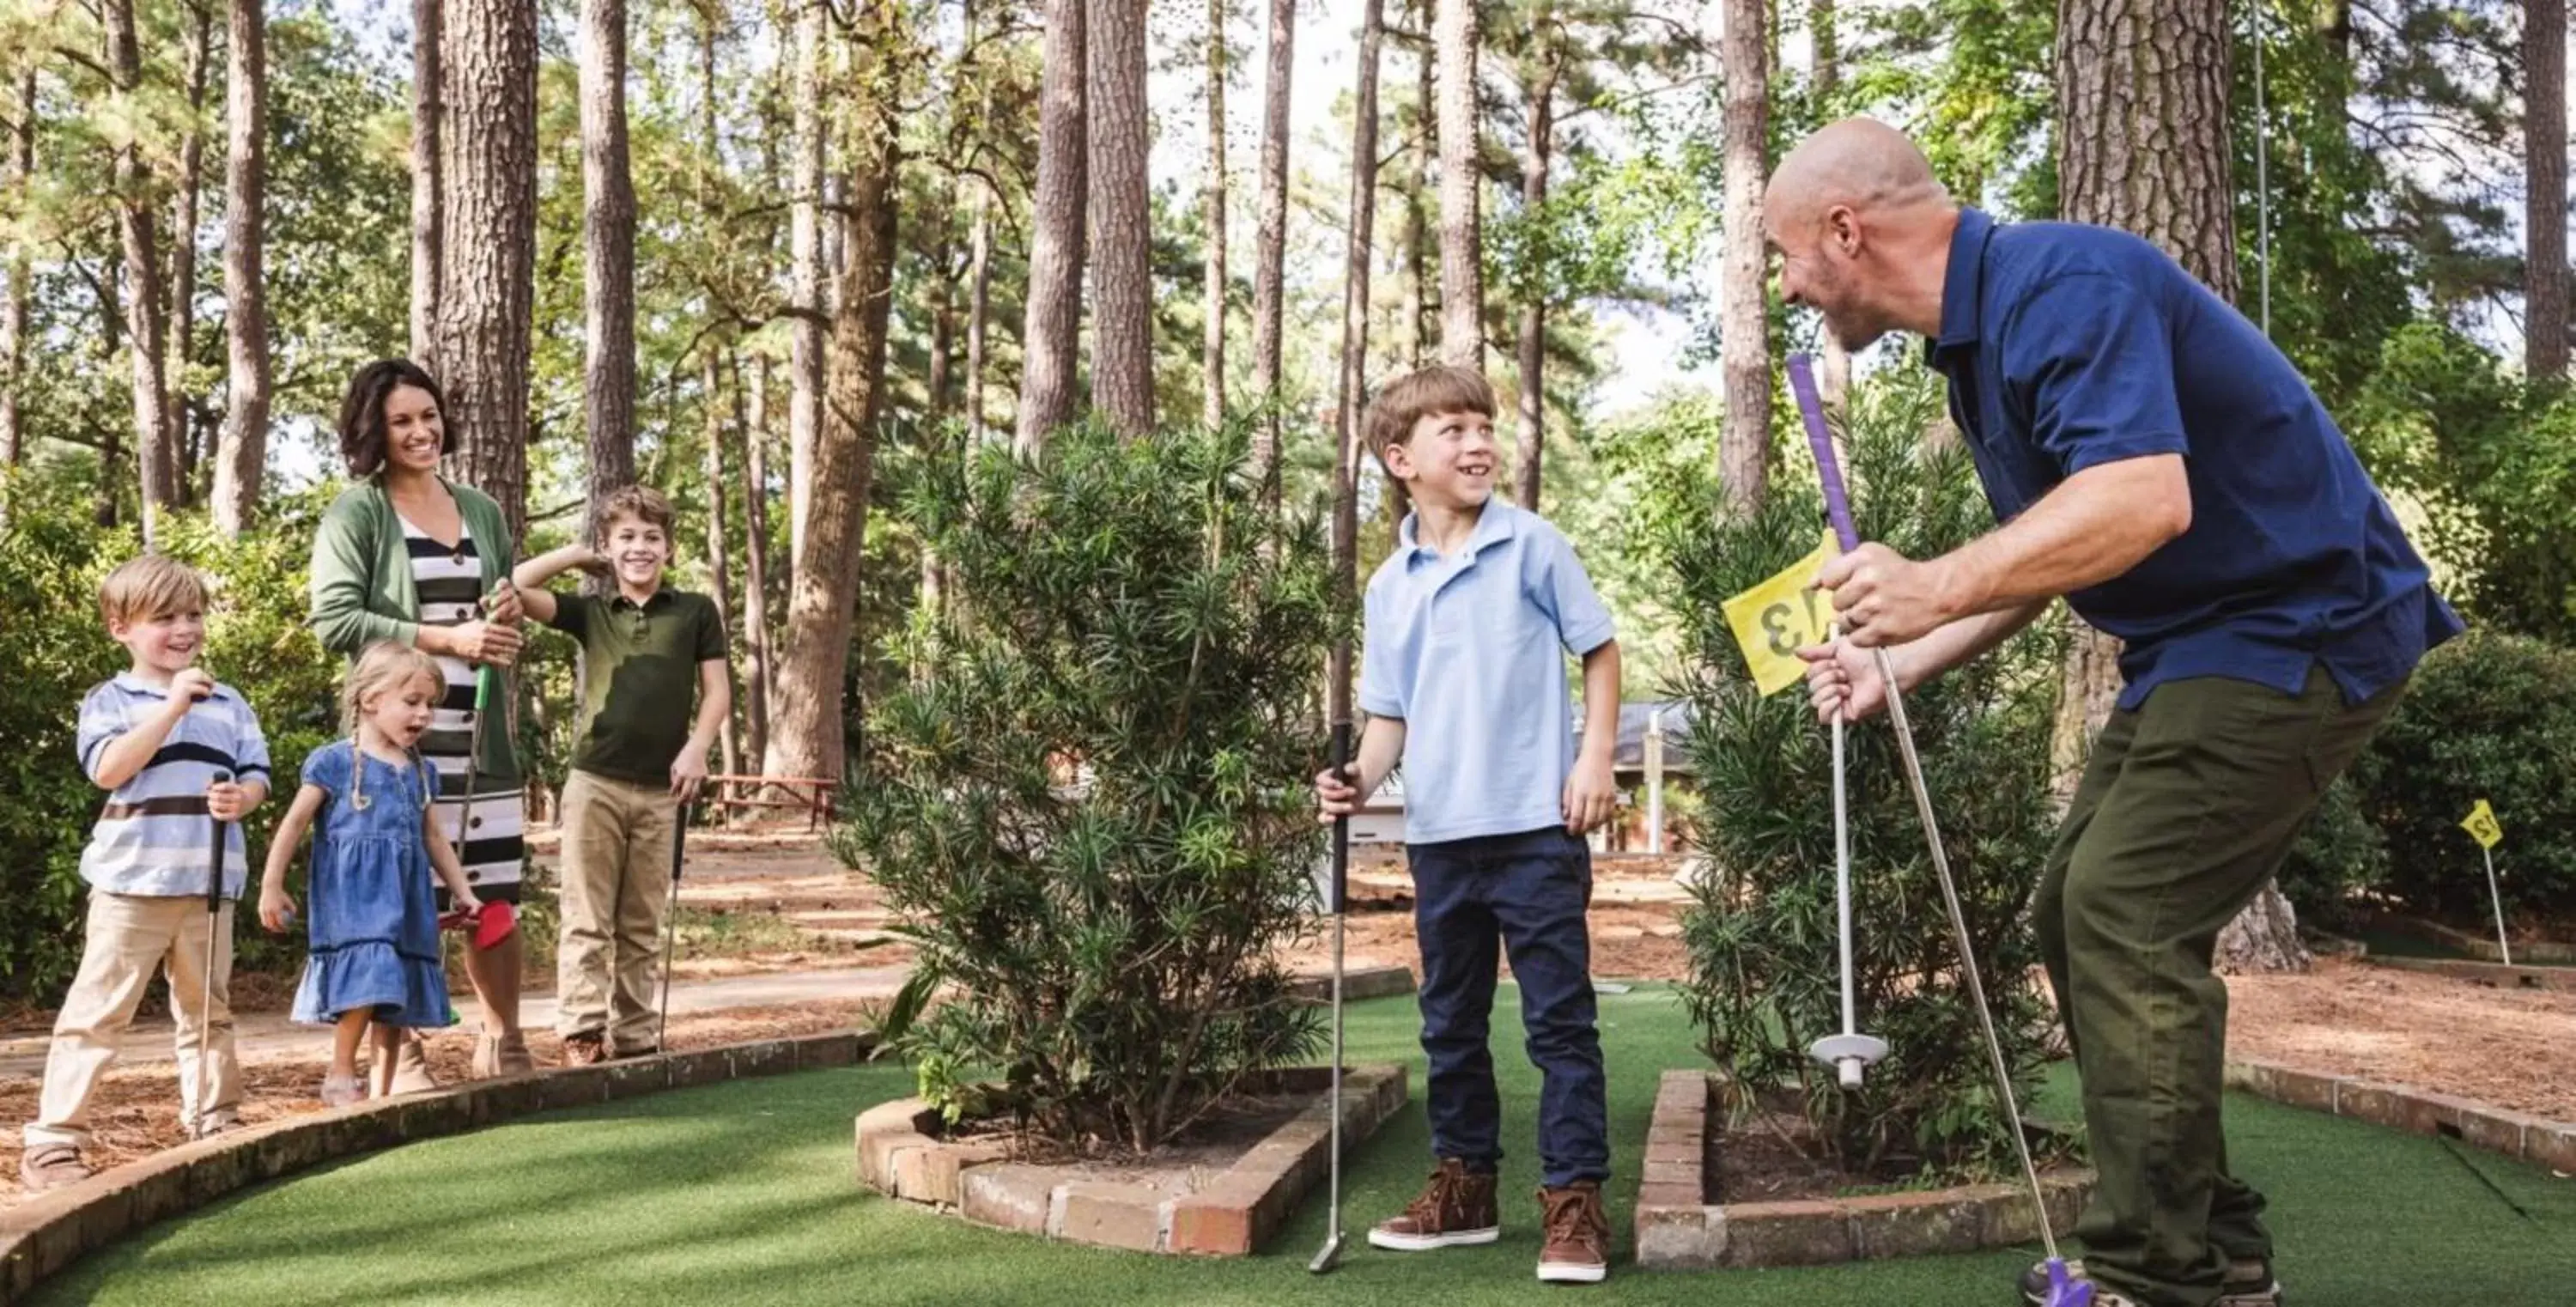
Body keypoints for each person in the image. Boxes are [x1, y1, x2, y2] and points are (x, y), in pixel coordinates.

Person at [1768, 118, 2462, 1307]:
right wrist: (1905, 661)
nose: (1786, 284)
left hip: (2305, 627)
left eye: (1786, 254)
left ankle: (2157, 1277)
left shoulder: (2064, 281)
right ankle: (2223, 1251)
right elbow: (2052, 556)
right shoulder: (1979, 345)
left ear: (1846, 228)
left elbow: (2143, 500)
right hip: (2202, 644)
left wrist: (1933, 579)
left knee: (2124, 912)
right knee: (2070, 914)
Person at [1312, 365, 1625, 1285]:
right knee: (1450, 1021)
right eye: (1453, 428)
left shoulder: (1533, 546)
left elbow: (1600, 649)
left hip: (1536, 827)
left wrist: (1595, 757)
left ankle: (1574, 1202)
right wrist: (1355, 780)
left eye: (1485, 424)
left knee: (1559, 1024)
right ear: (1401, 459)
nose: (1479, 441)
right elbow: (1388, 719)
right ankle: (1467, 1189)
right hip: (1441, 836)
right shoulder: (1389, 586)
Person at [17, 556, 271, 1192]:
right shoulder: (111, 700)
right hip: (132, 884)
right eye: (165, 619)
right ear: (120, 628)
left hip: (209, 885)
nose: (184, 629)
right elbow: (109, 771)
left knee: (207, 1012)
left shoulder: (231, 703)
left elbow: (257, 773)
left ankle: (214, 1121)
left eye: (193, 615)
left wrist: (245, 796)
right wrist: (172, 708)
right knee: (97, 1012)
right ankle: (55, 1139)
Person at [309, 359, 532, 1084]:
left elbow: (497, 605)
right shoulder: (359, 511)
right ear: (374, 430)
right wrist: (444, 639)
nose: (420, 431)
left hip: (481, 734)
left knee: (493, 891)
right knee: (401, 897)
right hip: (396, 746)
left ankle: (504, 1038)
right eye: (401, 421)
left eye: (428, 416)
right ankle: (399, 1053)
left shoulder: (481, 508)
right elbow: (335, 617)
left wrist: (500, 626)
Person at [512, 485, 731, 1064]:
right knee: (586, 914)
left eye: (652, 537)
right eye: (626, 537)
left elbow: (717, 692)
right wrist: (579, 557)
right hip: (595, 781)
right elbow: (516, 586)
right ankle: (582, 1031)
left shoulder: (694, 612)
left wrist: (697, 748)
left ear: (670, 549)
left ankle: (634, 1035)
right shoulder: (592, 612)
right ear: (609, 548)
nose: (640, 548)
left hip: (663, 788)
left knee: (640, 920)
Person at [258, 643, 484, 1104]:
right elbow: (294, 824)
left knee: (394, 990)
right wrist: (271, 885)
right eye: (413, 701)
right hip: (355, 897)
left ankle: (380, 1095)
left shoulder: (421, 770)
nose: (423, 715)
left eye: (430, 705)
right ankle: (341, 1071)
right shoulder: (335, 763)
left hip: (406, 896)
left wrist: (463, 891)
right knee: (370, 974)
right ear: (369, 700)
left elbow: (434, 838)